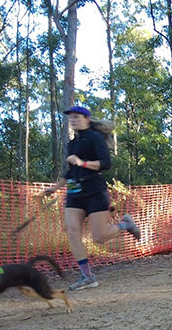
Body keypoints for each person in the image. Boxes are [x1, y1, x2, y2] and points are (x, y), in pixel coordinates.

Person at [43, 106, 141, 291]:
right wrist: (55, 188)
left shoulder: (95, 138)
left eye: (77, 116)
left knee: (99, 237)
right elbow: (71, 170)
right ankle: (87, 276)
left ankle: (125, 225)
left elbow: (105, 163)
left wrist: (82, 163)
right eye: (71, 117)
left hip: (95, 190)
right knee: (72, 232)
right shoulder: (72, 143)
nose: (73, 119)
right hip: (75, 193)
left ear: (86, 119)